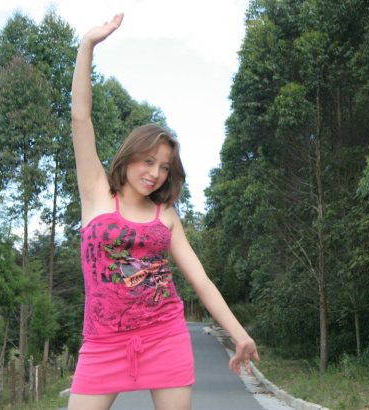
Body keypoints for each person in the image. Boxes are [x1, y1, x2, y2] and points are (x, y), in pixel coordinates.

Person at [68, 13, 260, 410]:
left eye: (164, 168)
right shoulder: (97, 193)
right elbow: (80, 118)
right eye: (148, 161)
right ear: (130, 156)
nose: (155, 173)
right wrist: (87, 46)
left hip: (165, 337)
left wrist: (239, 333)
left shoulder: (166, 216)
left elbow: (200, 280)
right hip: (102, 343)